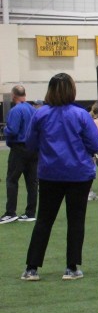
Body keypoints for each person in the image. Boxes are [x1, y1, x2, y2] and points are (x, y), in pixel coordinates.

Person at [20, 73, 98, 281]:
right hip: (79, 175)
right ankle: (71, 267)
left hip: (50, 174)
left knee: (44, 220)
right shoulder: (81, 115)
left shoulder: (40, 114)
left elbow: (30, 143)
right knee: (76, 220)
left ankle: (31, 268)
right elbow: (95, 144)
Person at [1, 85, 38, 224]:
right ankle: (30, 212)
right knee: (32, 181)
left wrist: (5, 129)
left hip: (19, 149)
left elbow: (13, 130)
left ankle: (11, 212)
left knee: (12, 180)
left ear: (13, 95)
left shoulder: (16, 110)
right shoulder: (33, 109)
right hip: (33, 149)